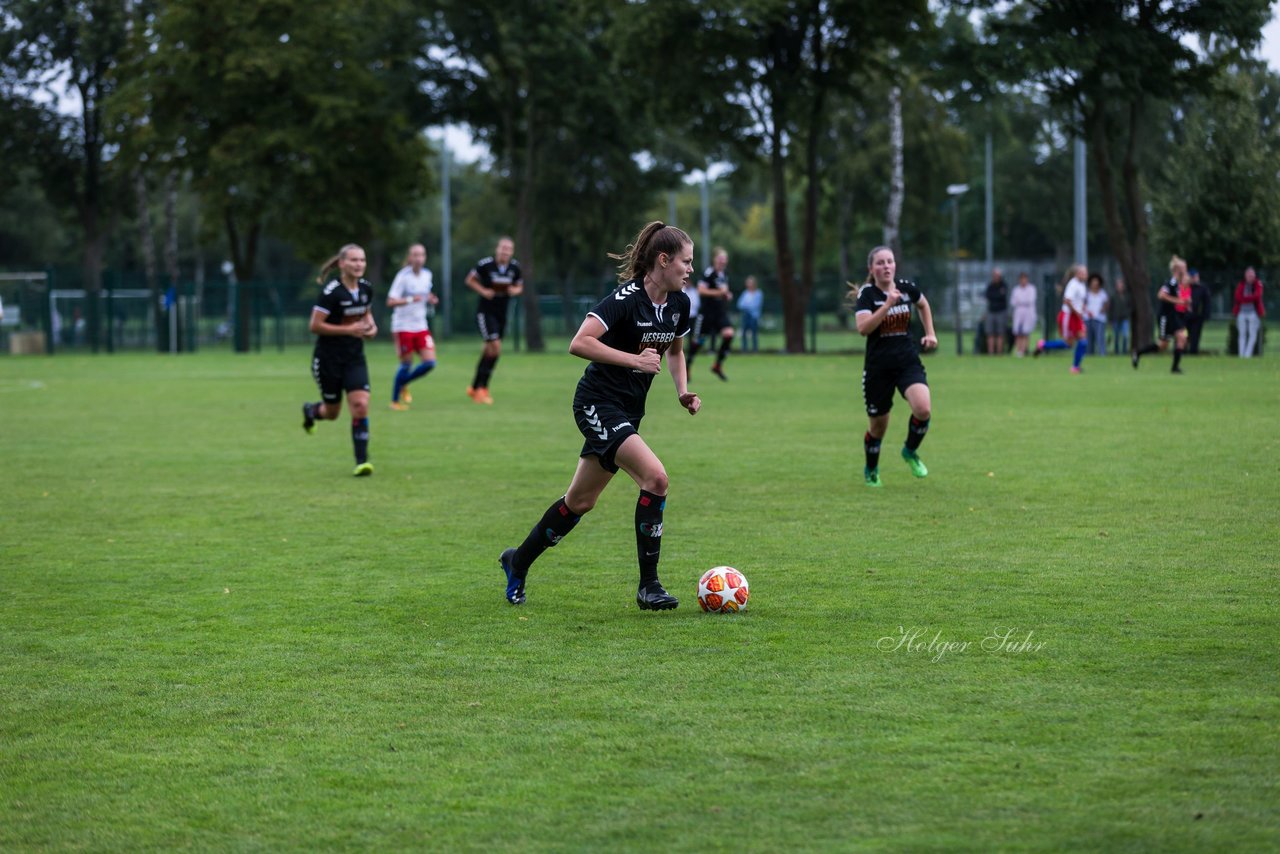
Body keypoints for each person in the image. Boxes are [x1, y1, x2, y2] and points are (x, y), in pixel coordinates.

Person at [498, 221, 700, 610]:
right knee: (656, 477)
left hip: (628, 411)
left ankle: (517, 561)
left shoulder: (679, 303)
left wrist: (682, 391)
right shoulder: (624, 299)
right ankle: (649, 586)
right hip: (596, 403)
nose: (691, 269)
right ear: (663, 260)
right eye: (686, 262)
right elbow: (580, 342)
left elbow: (674, 351)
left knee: (580, 501)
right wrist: (634, 360)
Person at [852, 245, 938, 488]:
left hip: (907, 361)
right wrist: (887, 305)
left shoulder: (906, 287)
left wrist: (930, 333)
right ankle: (871, 469)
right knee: (878, 427)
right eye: (880, 263)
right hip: (878, 368)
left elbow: (923, 304)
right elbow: (863, 329)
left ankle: (910, 452)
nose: (886, 266)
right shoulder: (867, 295)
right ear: (872, 269)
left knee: (923, 409)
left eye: (889, 261)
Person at [301, 244, 378, 476]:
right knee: (332, 413)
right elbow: (314, 326)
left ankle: (362, 461)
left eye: (362, 260)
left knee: (361, 405)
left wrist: (371, 328)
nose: (359, 265)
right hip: (329, 360)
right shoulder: (331, 292)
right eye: (354, 260)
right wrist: (349, 330)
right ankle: (312, 411)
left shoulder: (366, 288)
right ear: (342, 264)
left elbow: (366, 315)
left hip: (354, 357)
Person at [465, 237, 524, 404]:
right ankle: (482, 389)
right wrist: (483, 291)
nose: (505, 251)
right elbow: (469, 280)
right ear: (497, 249)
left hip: (502, 314)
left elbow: (520, 286)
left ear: (512, 252)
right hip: (485, 313)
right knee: (495, 348)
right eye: (503, 248)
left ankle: (475, 387)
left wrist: (515, 290)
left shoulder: (514, 267)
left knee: (489, 351)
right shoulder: (485, 265)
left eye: (508, 249)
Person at [386, 243, 439, 410]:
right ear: (410, 258)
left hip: (420, 325)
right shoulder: (403, 277)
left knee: (430, 363)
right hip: (403, 326)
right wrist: (410, 299)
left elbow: (425, 294)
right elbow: (391, 301)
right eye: (415, 255)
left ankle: (404, 383)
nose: (418, 258)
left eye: (421, 255)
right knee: (406, 364)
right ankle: (394, 402)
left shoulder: (427, 275)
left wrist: (430, 298)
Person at [1133, 254, 1190, 373]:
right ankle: (1138, 352)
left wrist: (1185, 302)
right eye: (1184, 268)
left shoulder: (1178, 283)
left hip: (1173, 315)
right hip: (1165, 316)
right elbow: (1161, 295)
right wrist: (1178, 301)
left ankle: (1175, 368)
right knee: (1162, 345)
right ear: (1177, 270)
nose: (1186, 270)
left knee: (1182, 337)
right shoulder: (1171, 282)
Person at [1035, 263, 1089, 373]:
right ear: (1077, 274)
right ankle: (1044, 345)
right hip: (1068, 316)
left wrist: (1083, 309)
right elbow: (1067, 301)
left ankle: (1075, 366)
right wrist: (1077, 312)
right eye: (1082, 273)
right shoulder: (1073, 284)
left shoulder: (1082, 285)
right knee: (1068, 344)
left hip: (1075, 316)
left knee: (1083, 341)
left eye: (1085, 273)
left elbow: (1079, 300)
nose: (1084, 275)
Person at [696, 248, 734, 380]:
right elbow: (700, 290)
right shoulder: (709, 272)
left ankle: (717, 365)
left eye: (725, 259)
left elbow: (724, 290)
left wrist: (727, 295)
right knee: (699, 342)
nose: (723, 262)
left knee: (729, 334)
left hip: (720, 312)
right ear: (715, 259)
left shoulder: (724, 274)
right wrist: (719, 293)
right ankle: (687, 365)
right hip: (707, 313)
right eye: (720, 259)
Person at [1233, 267, 1265, 358]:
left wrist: (1246, 299)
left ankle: (1247, 355)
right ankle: (1241, 354)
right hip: (1242, 312)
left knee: (1252, 334)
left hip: (1253, 313)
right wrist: (1249, 298)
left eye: (1252, 275)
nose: (1250, 277)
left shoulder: (1258, 284)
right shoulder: (1241, 285)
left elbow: (1257, 296)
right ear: (1245, 275)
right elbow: (1238, 297)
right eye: (1249, 275)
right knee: (1242, 334)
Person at [1010, 272, 1037, 357]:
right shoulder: (1016, 290)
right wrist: (1021, 301)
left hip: (1028, 312)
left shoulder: (1031, 289)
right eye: (1021, 279)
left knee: (1025, 332)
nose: (1023, 281)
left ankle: (1025, 350)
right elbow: (1013, 301)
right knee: (1018, 333)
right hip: (1019, 312)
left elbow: (1030, 300)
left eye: (1024, 279)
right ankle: (1019, 350)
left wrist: (1021, 301)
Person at [983, 268, 1009, 355]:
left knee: (1000, 333)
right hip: (991, 311)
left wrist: (995, 296)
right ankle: (991, 353)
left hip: (1001, 312)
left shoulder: (1003, 286)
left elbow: (1001, 297)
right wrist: (996, 296)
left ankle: (999, 353)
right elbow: (988, 296)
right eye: (994, 275)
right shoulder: (990, 286)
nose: (996, 277)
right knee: (990, 333)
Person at [1084, 273, 1109, 356]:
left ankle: (1102, 354)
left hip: (1099, 319)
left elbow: (1106, 304)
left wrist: (1103, 309)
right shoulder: (1087, 293)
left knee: (1100, 338)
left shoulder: (1102, 294)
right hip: (1088, 318)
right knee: (1089, 338)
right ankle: (1089, 354)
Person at [1186, 269, 1211, 355]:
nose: (1193, 279)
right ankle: (1182, 352)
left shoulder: (1202, 288)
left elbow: (1206, 302)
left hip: (1197, 317)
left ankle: (1193, 352)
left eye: (1195, 277)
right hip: (1185, 316)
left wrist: (1206, 314)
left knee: (1195, 336)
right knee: (1184, 335)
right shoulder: (1185, 287)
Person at [737, 275, 763, 352]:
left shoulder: (758, 293)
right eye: (748, 283)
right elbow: (740, 304)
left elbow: (756, 305)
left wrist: (747, 305)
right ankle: (744, 349)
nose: (749, 284)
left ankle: (755, 349)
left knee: (754, 333)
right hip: (745, 315)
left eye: (751, 283)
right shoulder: (745, 293)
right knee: (744, 332)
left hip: (754, 316)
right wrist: (748, 306)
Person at [1110, 277, 1132, 355]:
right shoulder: (1113, 296)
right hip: (1116, 318)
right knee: (1116, 336)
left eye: (1121, 285)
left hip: (1124, 319)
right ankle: (1116, 351)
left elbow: (1130, 306)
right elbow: (1111, 308)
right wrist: (1110, 319)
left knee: (1125, 336)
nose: (1120, 287)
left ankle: (1124, 351)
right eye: (1118, 285)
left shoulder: (1127, 296)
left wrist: (1127, 313)